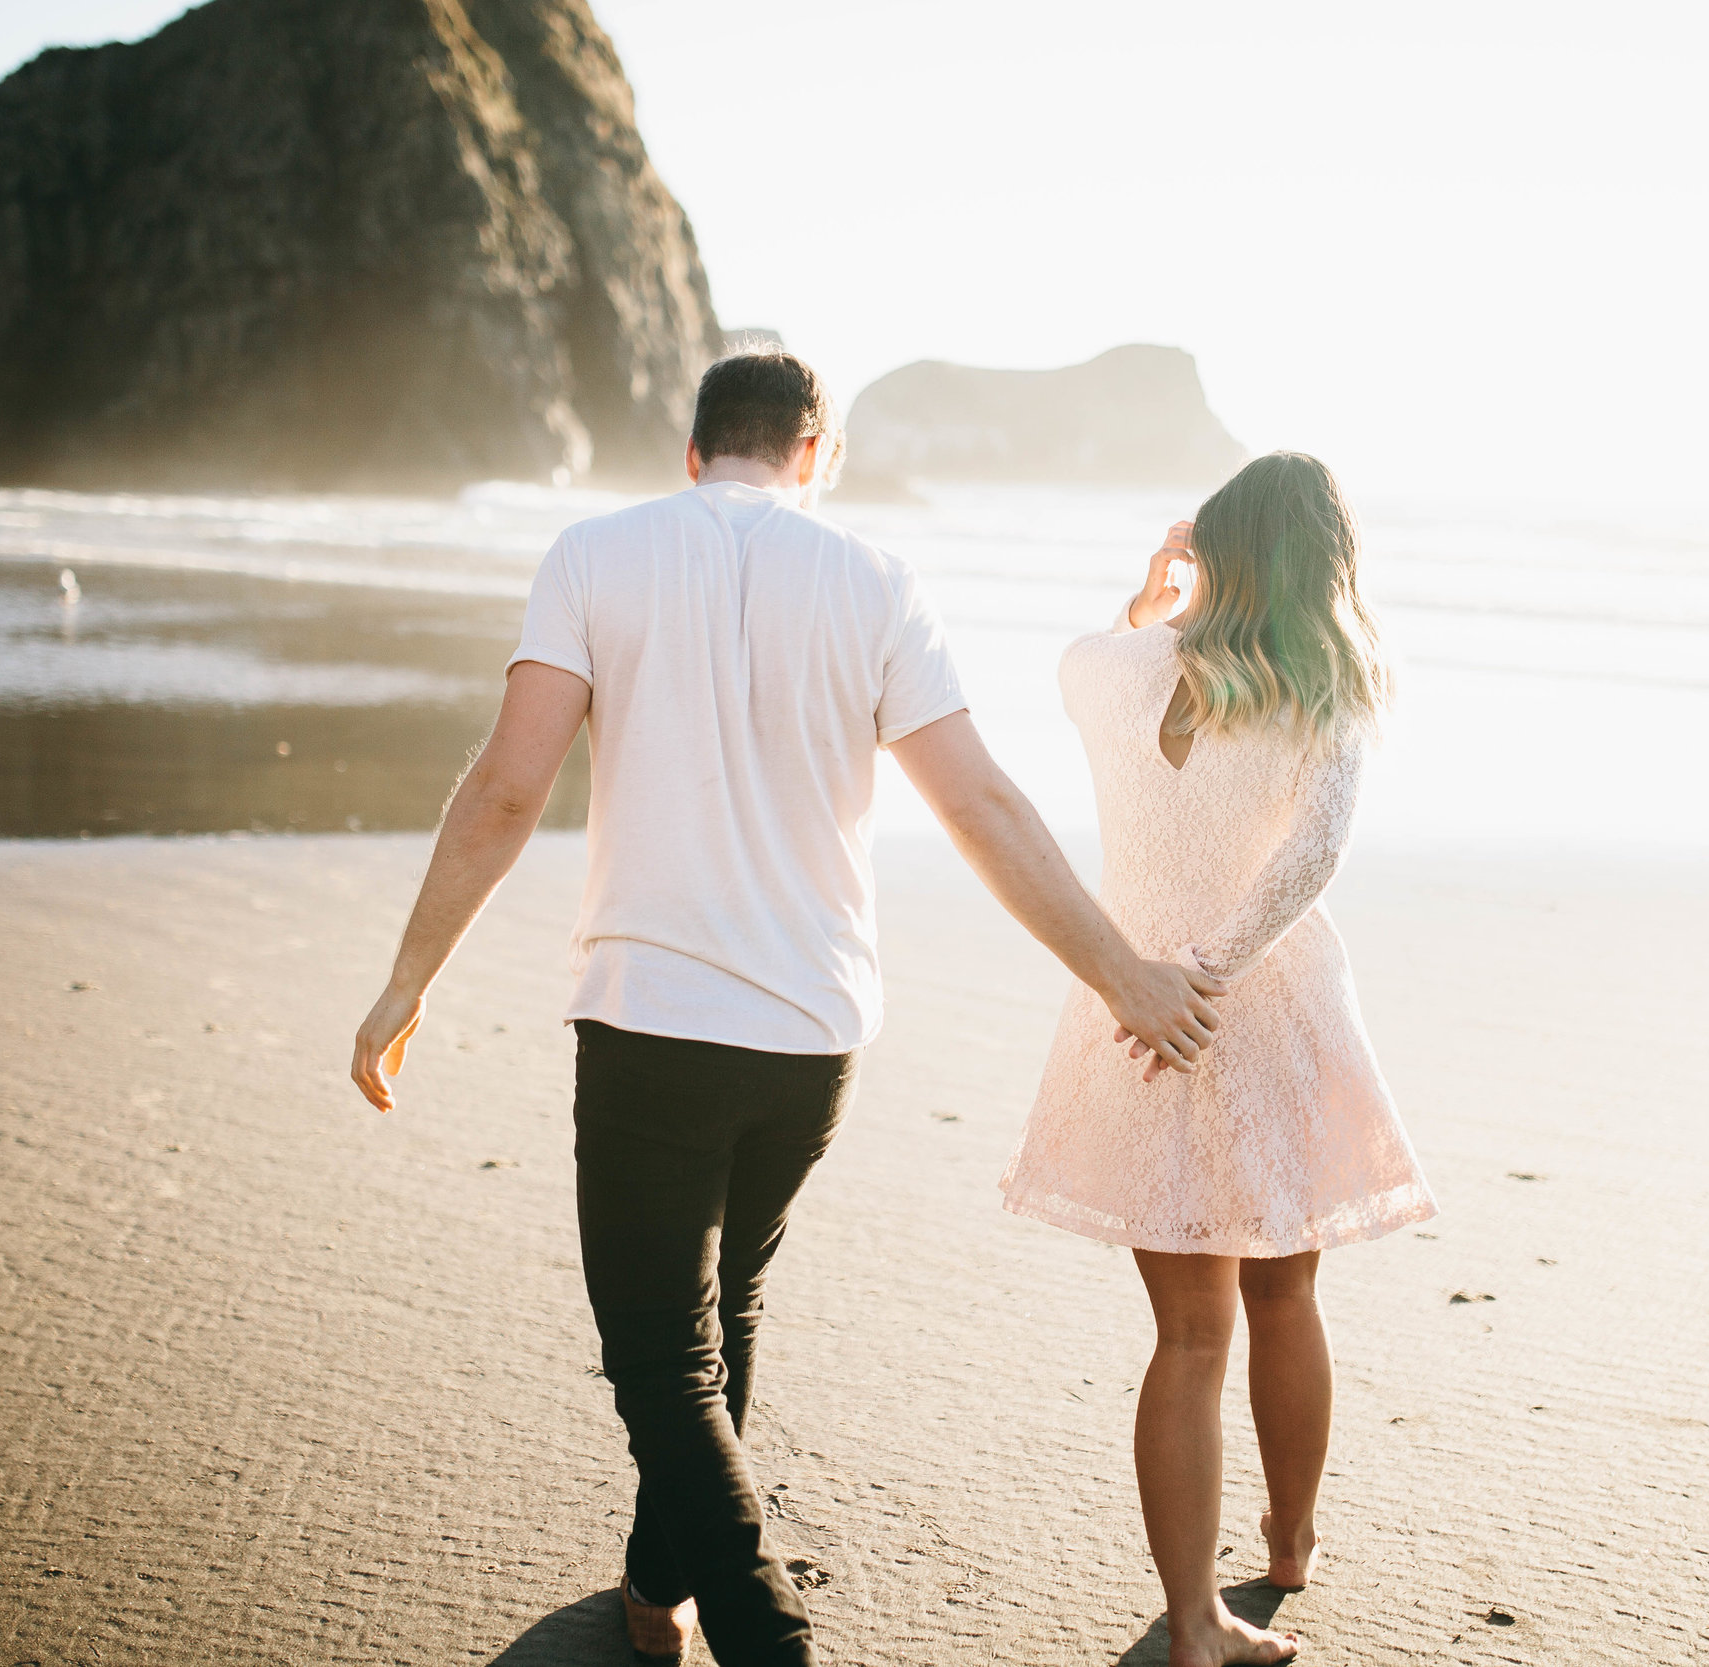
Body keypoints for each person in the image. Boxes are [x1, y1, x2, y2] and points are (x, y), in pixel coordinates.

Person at [348, 348, 1227, 1667]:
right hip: (814, 1037)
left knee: (663, 1362)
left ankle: (775, 1642)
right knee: (717, 1316)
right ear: (815, 456)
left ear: (694, 453)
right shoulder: (877, 581)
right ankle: (658, 1587)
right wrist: (1125, 973)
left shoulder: (596, 553)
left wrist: (409, 975)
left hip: (652, 1022)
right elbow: (981, 804)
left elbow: (507, 789)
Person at [999, 453, 1438, 1667]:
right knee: (1283, 1291)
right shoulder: (1331, 680)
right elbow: (1313, 855)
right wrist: (1220, 965)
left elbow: (1079, 654)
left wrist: (1148, 601)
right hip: (1262, 1005)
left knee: (1187, 1334)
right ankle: (1288, 1545)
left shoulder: (1110, 671)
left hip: (1136, 1003)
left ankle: (1193, 1621)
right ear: (1324, 563)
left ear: (1213, 548)